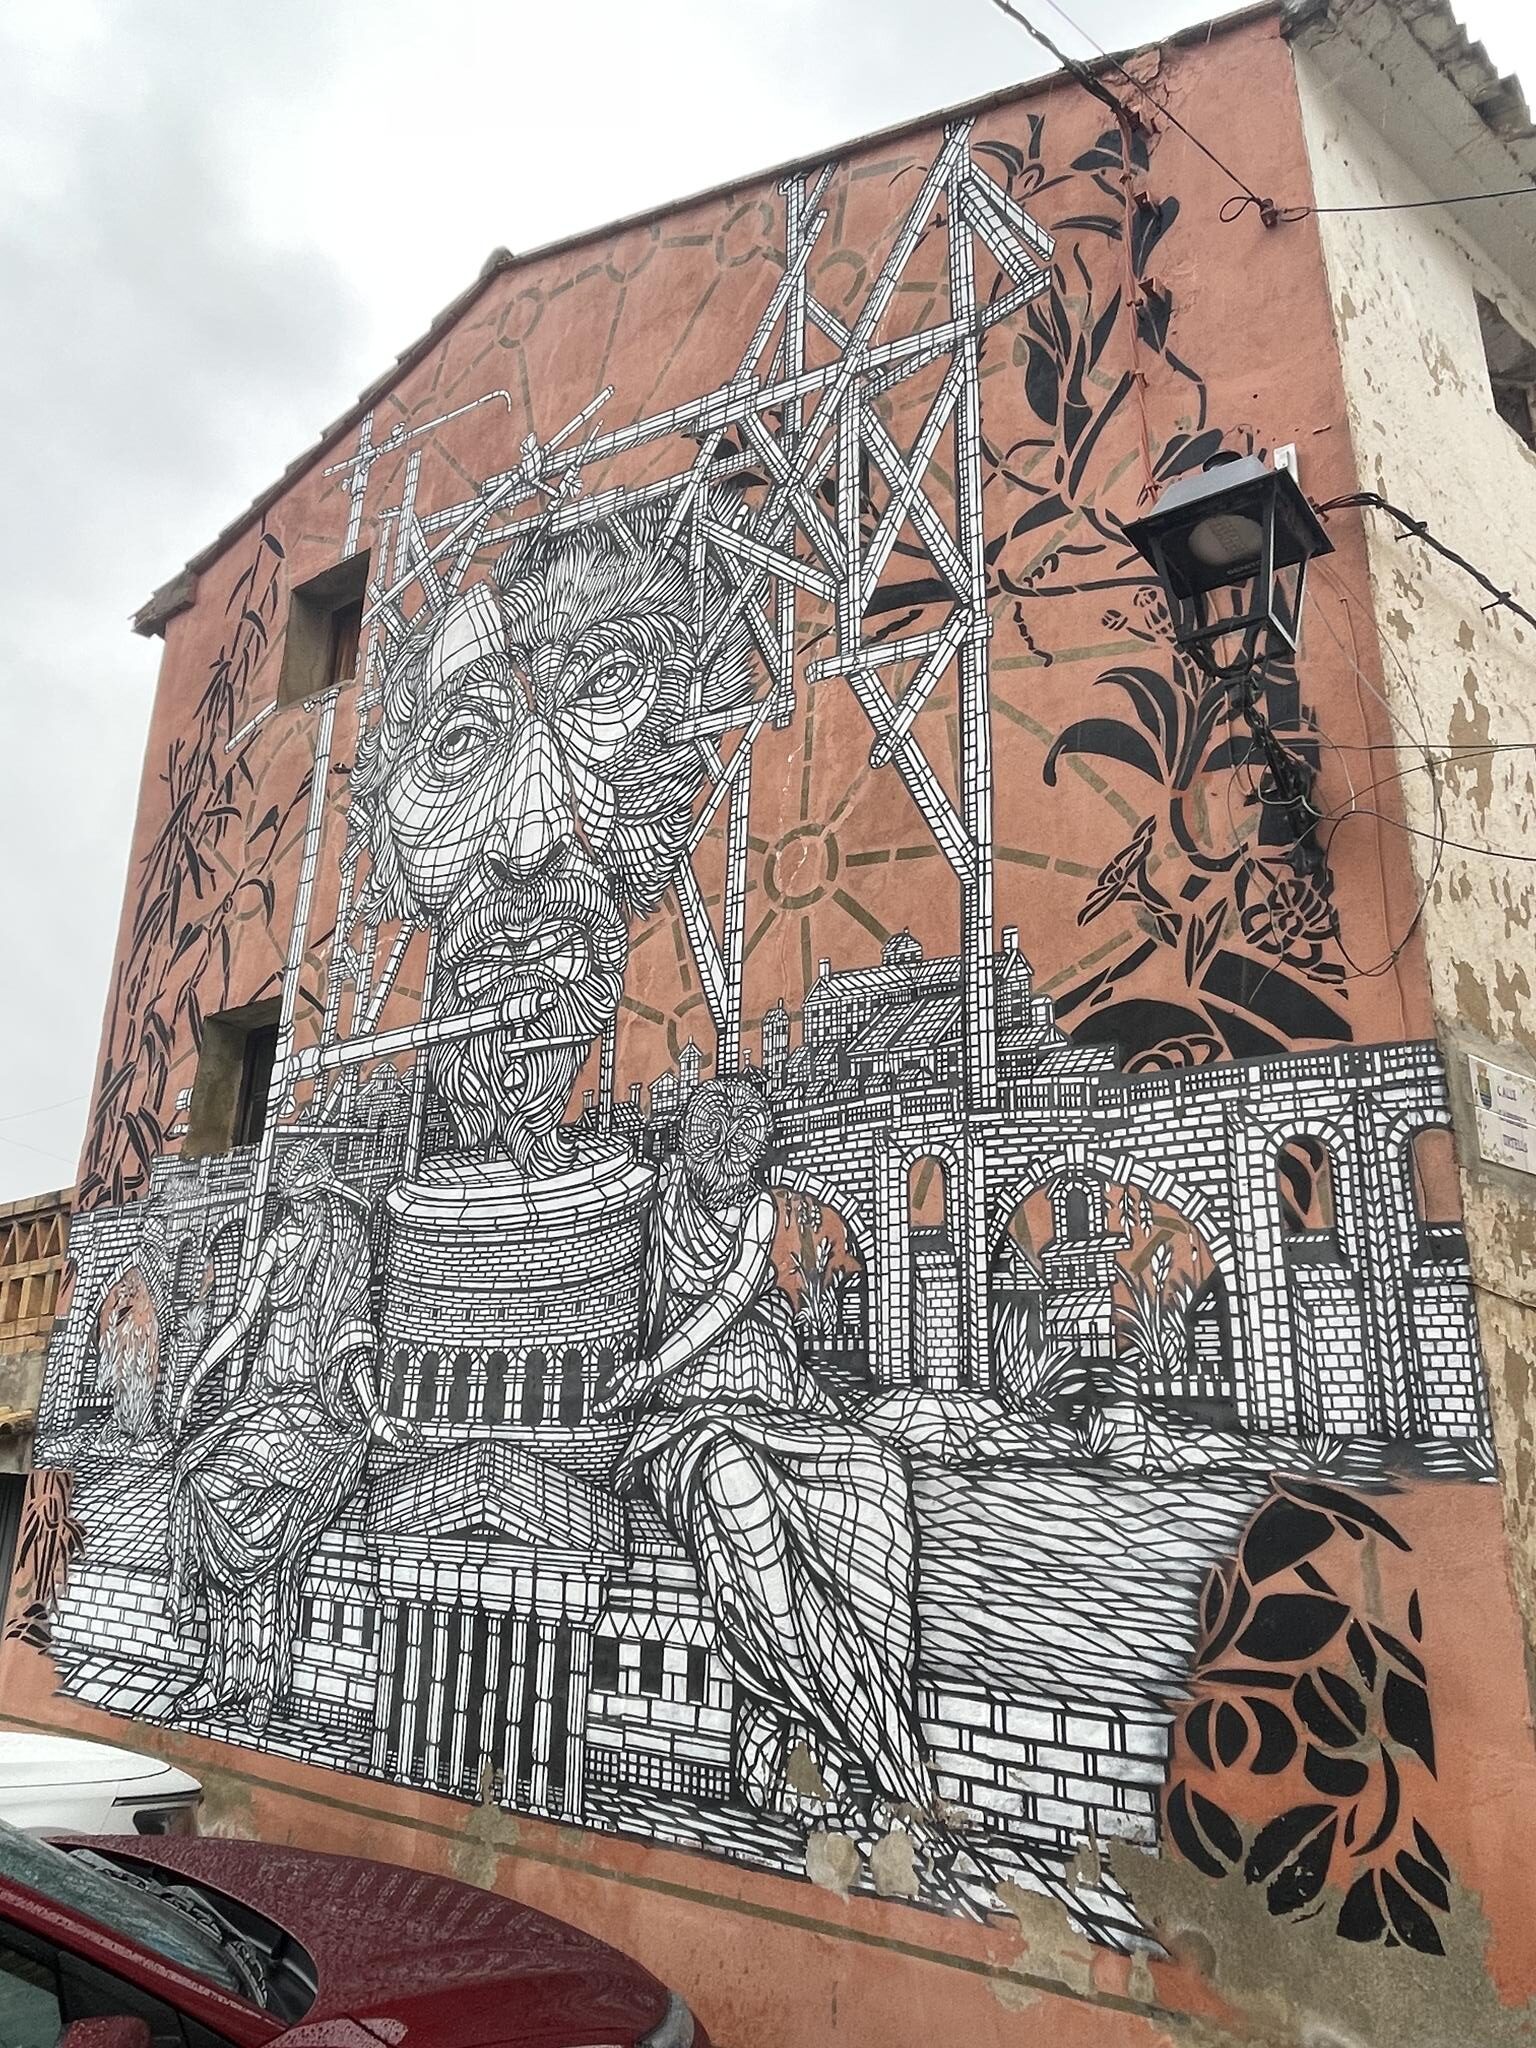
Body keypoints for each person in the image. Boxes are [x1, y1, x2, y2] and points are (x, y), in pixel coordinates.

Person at [598, 1077, 939, 1834]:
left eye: (739, 1157)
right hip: (683, 1417)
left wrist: (650, 1367)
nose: (725, 1171)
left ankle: (853, 1726)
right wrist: (648, 1377)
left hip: (766, 1392)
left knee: (870, 1479)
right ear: (693, 1150)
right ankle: (877, 1746)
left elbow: (727, 1306)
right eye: (712, 1153)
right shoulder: (660, 1199)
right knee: (738, 1498)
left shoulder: (757, 1210)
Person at [167, 1140, 408, 1730]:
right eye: (289, 1190)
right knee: (200, 1480)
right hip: (263, 1405)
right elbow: (241, 1320)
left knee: (266, 1543)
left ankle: (259, 1684)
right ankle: (221, 1676)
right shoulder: (277, 1242)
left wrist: (374, 1415)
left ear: (319, 1188)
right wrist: (196, 1376)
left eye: (303, 1189)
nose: (295, 1199)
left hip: (318, 1416)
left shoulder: (343, 1246)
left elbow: (352, 1338)